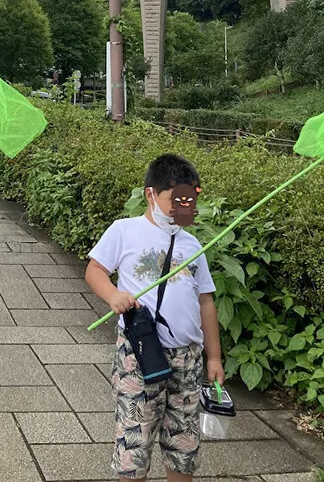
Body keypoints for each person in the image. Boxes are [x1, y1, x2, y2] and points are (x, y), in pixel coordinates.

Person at [85, 153, 224, 482]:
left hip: (188, 358)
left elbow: (206, 301)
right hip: (140, 354)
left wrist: (214, 356)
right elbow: (95, 271)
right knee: (135, 441)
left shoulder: (193, 244)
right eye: (175, 198)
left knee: (183, 444)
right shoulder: (125, 231)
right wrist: (113, 295)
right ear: (150, 194)